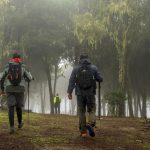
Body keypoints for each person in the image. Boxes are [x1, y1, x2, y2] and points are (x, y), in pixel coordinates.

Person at [67, 53, 103, 137]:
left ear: (80, 59)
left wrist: (69, 92)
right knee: (91, 109)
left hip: (79, 93)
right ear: (88, 59)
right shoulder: (94, 68)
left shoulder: (75, 69)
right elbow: (100, 79)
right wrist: (100, 79)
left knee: (81, 112)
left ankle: (83, 132)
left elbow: (71, 80)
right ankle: (90, 124)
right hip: (90, 93)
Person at [0, 52, 33, 134]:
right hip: (20, 89)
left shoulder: (8, 66)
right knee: (18, 106)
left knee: (11, 107)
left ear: (12, 58)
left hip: (9, 89)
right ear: (19, 58)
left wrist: (2, 88)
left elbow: (1, 77)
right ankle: (20, 123)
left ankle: (11, 127)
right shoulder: (22, 66)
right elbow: (29, 78)